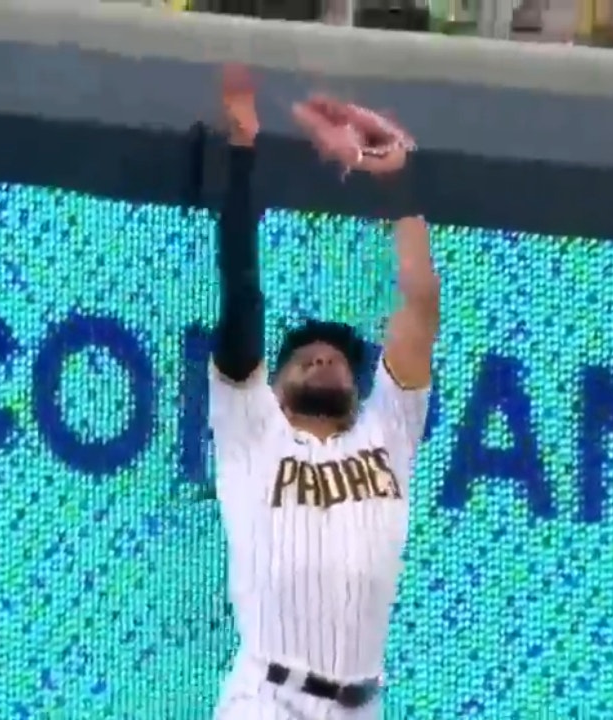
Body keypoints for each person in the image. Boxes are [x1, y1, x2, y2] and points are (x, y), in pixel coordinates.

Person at [209, 64, 440, 720]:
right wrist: (242, 151)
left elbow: (420, 307)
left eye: (335, 358)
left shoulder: (387, 434)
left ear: (358, 385)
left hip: (362, 704)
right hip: (268, 698)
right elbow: (242, 291)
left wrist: (398, 182)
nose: (321, 358)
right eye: (304, 357)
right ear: (269, 387)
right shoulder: (251, 429)